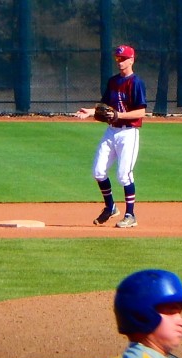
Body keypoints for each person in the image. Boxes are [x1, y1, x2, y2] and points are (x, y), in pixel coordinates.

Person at [75, 45, 146, 229]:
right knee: (98, 171)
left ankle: (130, 215)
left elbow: (141, 111)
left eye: (123, 59)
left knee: (124, 175)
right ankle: (111, 206)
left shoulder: (136, 82)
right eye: (117, 59)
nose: (120, 62)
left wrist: (119, 115)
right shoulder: (113, 81)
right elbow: (105, 107)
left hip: (129, 133)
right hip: (111, 131)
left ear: (131, 60)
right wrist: (90, 112)